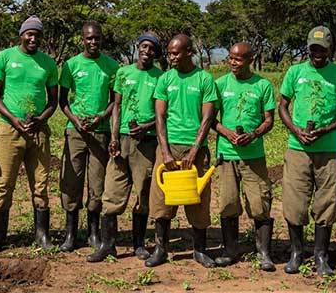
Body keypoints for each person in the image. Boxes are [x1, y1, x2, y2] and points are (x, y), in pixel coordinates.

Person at [279, 26, 336, 277]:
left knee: (327, 201)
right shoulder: (295, 72)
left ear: (329, 49)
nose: (317, 53)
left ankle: (321, 255)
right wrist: (296, 130)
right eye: (313, 48)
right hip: (298, 148)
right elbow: (283, 106)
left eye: (322, 49)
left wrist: (326, 129)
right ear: (308, 47)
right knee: (294, 200)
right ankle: (296, 253)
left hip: (328, 149)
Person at [0, 16, 59, 253]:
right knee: (4, 183)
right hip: (9, 129)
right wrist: (13, 118)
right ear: (22, 35)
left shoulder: (48, 63)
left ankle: (42, 235)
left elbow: (53, 100)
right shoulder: (5, 57)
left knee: (41, 184)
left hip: (38, 131)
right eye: (29, 34)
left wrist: (41, 119)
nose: (33, 38)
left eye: (37, 34)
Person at [145, 34, 218, 268]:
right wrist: (165, 151)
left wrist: (195, 150)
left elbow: (208, 118)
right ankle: (161, 249)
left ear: (189, 52)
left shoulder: (205, 79)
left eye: (176, 53)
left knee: (198, 199)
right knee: (161, 199)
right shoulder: (165, 79)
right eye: (169, 53)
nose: (172, 57)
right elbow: (160, 116)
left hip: (196, 148)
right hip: (169, 147)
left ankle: (200, 250)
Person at [91, 35, 163, 262]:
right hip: (122, 141)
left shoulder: (161, 77)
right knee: (112, 191)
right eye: (144, 46)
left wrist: (146, 127)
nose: (147, 51)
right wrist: (113, 137)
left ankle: (139, 244)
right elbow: (117, 106)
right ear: (137, 47)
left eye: (152, 48)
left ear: (156, 53)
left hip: (147, 143)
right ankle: (107, 245)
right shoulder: (123, 73)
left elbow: (164, 114)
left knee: (143, 193)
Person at [212, 42, 276, 271]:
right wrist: (227, 133)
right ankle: (230, 250)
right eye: (230, 58)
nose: (233, 63)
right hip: (226, 155)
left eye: (238, 59)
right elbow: (211, 119)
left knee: (259, 204)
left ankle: (264, 253)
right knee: (228, 203)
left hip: (253, 155)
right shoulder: (219, 84)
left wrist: (254, 134)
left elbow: (269, 119)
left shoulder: (263, 85)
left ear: (250, 59)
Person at [57, 21, 119, 253]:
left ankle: (93, 233)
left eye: (97, 38)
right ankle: (71, 234)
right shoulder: (71, 64)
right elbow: (62, 101)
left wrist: (101, 118)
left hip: (100, 132)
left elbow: (115, 101)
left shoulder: (112, 66)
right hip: (75, 132)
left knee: (97, 182)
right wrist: (75, 120)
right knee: (71, 182)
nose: (93, 42)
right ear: (82, 39)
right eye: (89, 38)